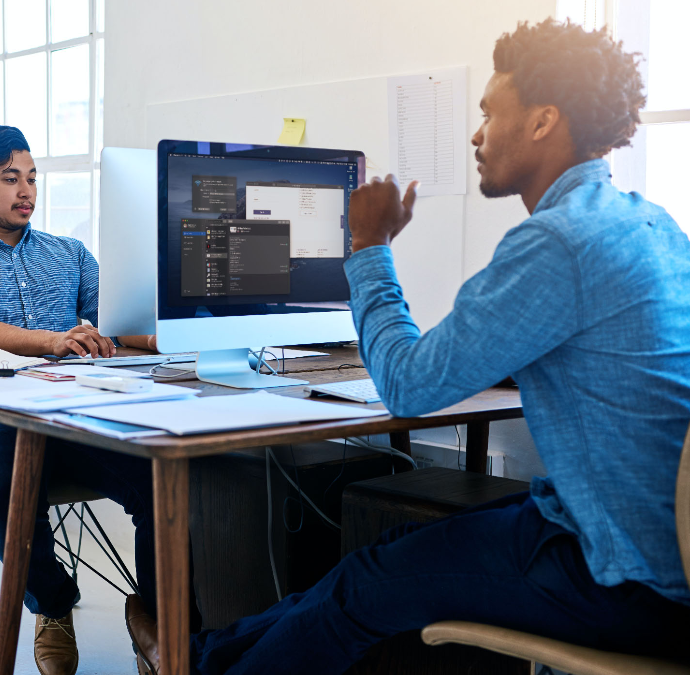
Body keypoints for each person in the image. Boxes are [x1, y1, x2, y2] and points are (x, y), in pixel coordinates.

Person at [121, 19, 690, 675]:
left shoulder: (558, 242)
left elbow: (409, 387)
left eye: (490, 113)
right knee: (386, 554)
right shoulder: (650, 223)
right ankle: (193, 658)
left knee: (365, 581)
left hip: (617, 577)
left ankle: (190, 664)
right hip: (655, 554)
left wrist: (368, 245)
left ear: (542, 121)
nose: (477, 135)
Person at [0, 125, 175, 675]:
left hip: (74, 412)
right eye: (10, 178)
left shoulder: (70, 254)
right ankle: (53, 605)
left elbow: (118, 323)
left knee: (160, 483)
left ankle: (159, 622)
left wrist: (172, 334)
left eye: (31, 177)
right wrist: (55, 341)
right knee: (3, 493)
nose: (26, 190)